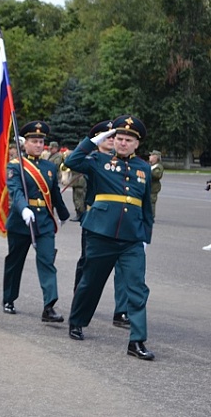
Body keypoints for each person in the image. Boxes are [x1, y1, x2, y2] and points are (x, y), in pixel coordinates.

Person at [65, 115, 155, 360]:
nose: (123, 143)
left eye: (129, 140)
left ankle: (137, 341)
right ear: (113, 140)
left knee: (137, 288)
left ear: (137, 144)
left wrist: (145, 236)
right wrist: (93, 141)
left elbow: (146, 206)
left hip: (131, 238)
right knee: (91, 282)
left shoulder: (144, 168)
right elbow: (72, 161)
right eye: (119, 138)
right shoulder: (98, 160)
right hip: (101, 234)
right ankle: (77, 321)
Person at [2, 120, 71, 321]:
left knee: (47, 261)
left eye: (41, 141)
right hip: (21, 221)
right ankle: (9, 298)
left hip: (44, 222)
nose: (39, 145)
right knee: (15, 262)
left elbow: (54, 193)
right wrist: (24, 209)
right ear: (25, 143)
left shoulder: (49, 166)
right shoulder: (15, 166)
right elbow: (15, 190)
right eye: (34, 141)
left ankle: (49, 306)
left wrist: (63, 214)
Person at [73, 120, 130, 329]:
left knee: (123, 267)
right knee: (89, 264)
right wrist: (90, 144)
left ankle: (121, 311)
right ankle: (79, 301)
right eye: (107, 136)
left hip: (120, 221)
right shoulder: (92, 160)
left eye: (113, 136)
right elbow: (72, 162)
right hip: (96, 219)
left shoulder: (124, 161)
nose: (112, 140)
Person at [149, 150, 164, 218]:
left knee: (151, 201)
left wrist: (148, 171)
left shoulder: (158, 166)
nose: (149, 157)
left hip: (153, 188)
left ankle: (151, 216)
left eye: (151, 155)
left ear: (155, 157)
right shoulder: (151, 165)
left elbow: (157, 175)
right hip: (149, 186)